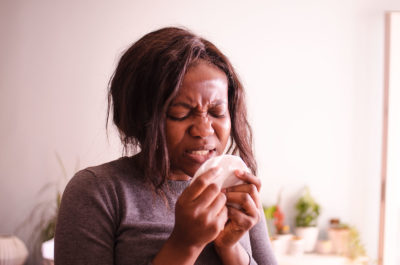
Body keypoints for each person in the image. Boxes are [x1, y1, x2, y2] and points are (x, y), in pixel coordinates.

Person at [54, 27, 277, 265]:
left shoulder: (236, 189)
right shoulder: (99, 192)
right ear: (141, 116)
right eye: (180, 114)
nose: (203, 130)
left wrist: (230, 248)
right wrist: (184, 245)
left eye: (217, 112)